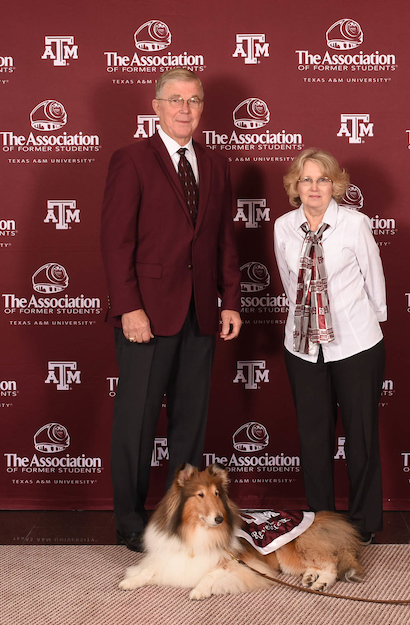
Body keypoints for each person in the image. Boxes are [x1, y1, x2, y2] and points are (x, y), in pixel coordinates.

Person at [101, 69, 242, 552]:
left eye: (194, 100)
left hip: (201, 313)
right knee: (136, 422)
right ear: (156, 106)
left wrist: (230, 301)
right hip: (147, 315)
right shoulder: (131, 160)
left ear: (203, 108)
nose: (185, 108)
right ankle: (128, 521)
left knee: (190, 423)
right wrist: (128, 308)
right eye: (176, 100)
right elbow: (115, 242)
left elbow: (224, 239)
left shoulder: (217, 164)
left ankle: (180, 521)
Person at [274, 148, 386, 544]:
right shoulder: (283, 227)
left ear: (335, 184)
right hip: (303, 348)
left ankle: (364, 522)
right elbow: (291, 284)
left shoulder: (355, 224)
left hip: (356, 343)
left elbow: (374, 281)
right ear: (295, 186)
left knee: (361, 436)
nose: (315, 187)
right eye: (306, 179)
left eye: (322, 179)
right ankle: (321, 521)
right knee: (314, 437)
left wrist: (366, 323)